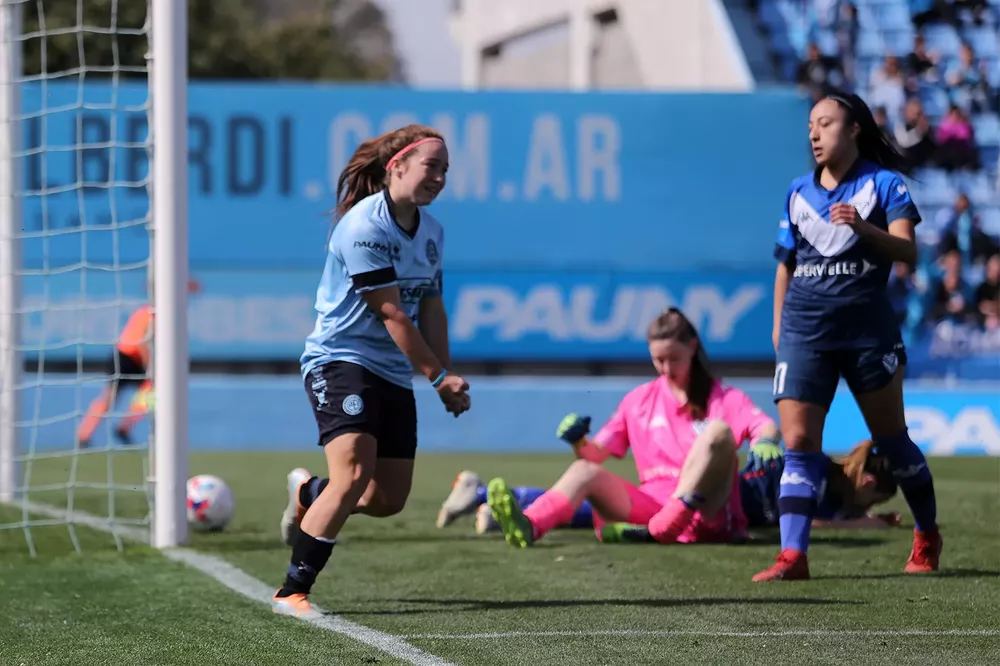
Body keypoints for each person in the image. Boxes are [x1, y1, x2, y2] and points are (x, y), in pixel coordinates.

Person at [271, 125, 471, 618]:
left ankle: (308, 493)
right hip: (340, 360)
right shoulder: (364, 227)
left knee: (386, 499)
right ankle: (291, 591)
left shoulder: (433, 233)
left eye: (445, 170)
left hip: (389, 371)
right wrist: (437, 378)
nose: (440, 178)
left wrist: (445, 374)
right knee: (354, 472)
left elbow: (430, 306)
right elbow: (392, 313)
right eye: (432, 166)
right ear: (396, 166)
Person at [761, 90, 941, 582]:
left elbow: (908, 253)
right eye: (811, 126)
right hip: (804, 331)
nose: (814, 133)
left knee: (892, 440)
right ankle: (792, 556)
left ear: (855, 127)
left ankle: (926, 535)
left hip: (866, 332)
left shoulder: (885, 185)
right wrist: (780, 325)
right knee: (798, 443)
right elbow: (786, 265)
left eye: (826, 122)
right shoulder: (798, 192)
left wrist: (863, 228)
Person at [484, 308, 784, 549]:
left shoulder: (724, 398)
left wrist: (765, 441)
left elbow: (765, 426)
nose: (666, 369)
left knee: (717, 431)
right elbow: (595, 455)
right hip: (653, 507)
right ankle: (530, 525)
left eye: (674, 359)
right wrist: (578, 441)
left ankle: (666, 524)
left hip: (707, 510)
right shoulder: (638, 400)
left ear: (693, 348)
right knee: (583, 471)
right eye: (658, 360)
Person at [437, 437, 901, 538]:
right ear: (867, 478)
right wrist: (868, 521)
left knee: (601, 506)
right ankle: (486, 497)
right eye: (874, 493)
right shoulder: (817, 469)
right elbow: (804, 515)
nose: (870, 497)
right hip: (715, 494)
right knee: (601, 498)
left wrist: (861, 518)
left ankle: (492, 503)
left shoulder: (837, 498)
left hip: (720, 509)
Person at [76, 304, 154, 448]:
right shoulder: (148, 313)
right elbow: (142, 342)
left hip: (139, 360)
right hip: (125, 357)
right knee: (110, 396)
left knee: (152, 394)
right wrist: (150, 367)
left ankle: (124, 428)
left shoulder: (161, 315)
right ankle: (83, 435)